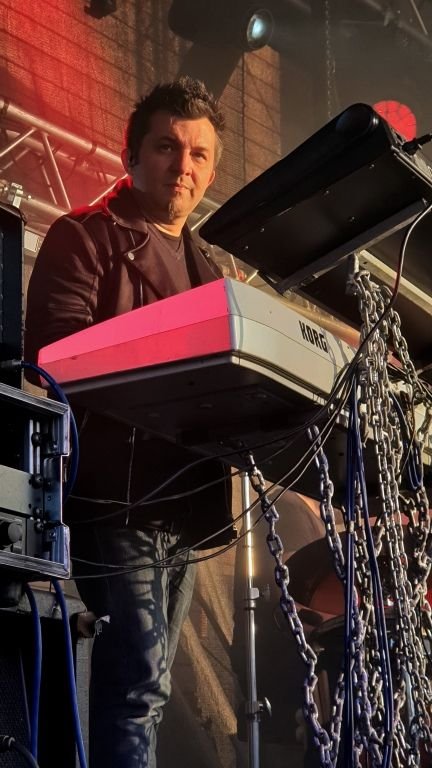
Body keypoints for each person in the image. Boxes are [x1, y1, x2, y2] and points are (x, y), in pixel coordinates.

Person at [24, 76, 235, 768]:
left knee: (152, 686)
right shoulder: (86, 236)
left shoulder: (212, 273)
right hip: (115, 495)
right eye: (167, 147)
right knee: (138, 680)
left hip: (185, 504)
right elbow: (52, 352)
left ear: (212, 170)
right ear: (132, 155)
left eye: (199, 154)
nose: (183, 166)